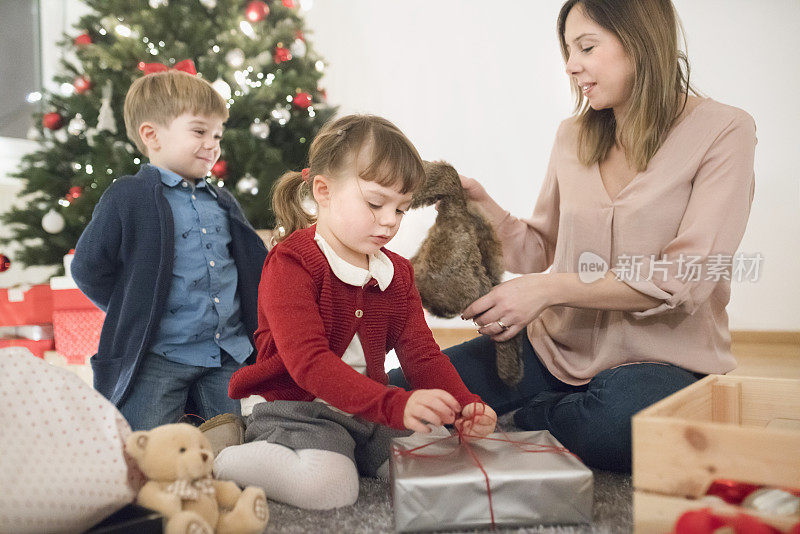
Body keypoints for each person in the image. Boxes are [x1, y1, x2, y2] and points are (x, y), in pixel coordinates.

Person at [389, 0, 757, 473]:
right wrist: (482, 204)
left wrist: (547, 289)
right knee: (404, 391)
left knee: (618, 426)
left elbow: (687, 277)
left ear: (642, 42)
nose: (571, 65)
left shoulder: (724, 130)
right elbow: (538, 247)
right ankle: (548, 416)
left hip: (661, 363)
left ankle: (531, 416)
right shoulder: (573, 135)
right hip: (552, 350)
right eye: (568, 49)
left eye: (586, 46)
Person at [212, 114, 497, 509]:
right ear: (324, 192)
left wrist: (465, 405)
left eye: (400, 210)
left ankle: (352, 452)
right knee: (331, 491)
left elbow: (422, 353)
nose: (388, 222)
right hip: (299, 409)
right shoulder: (292, 263)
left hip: (369, 408)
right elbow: (308, 365)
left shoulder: (396, 273)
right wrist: (397, 405)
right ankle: (225, 458)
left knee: (443, 466)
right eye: (376, 203)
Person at [72, 69, 268, 431]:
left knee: (229, 444)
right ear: (152, 135)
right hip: (160, 355)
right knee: (145, 448)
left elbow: (250, 267)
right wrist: (131, 307)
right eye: (199, 131)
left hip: (225, 354)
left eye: (217, 135)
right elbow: (87, 268)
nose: (212, 144)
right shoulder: (128, 196)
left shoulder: (223, 201)